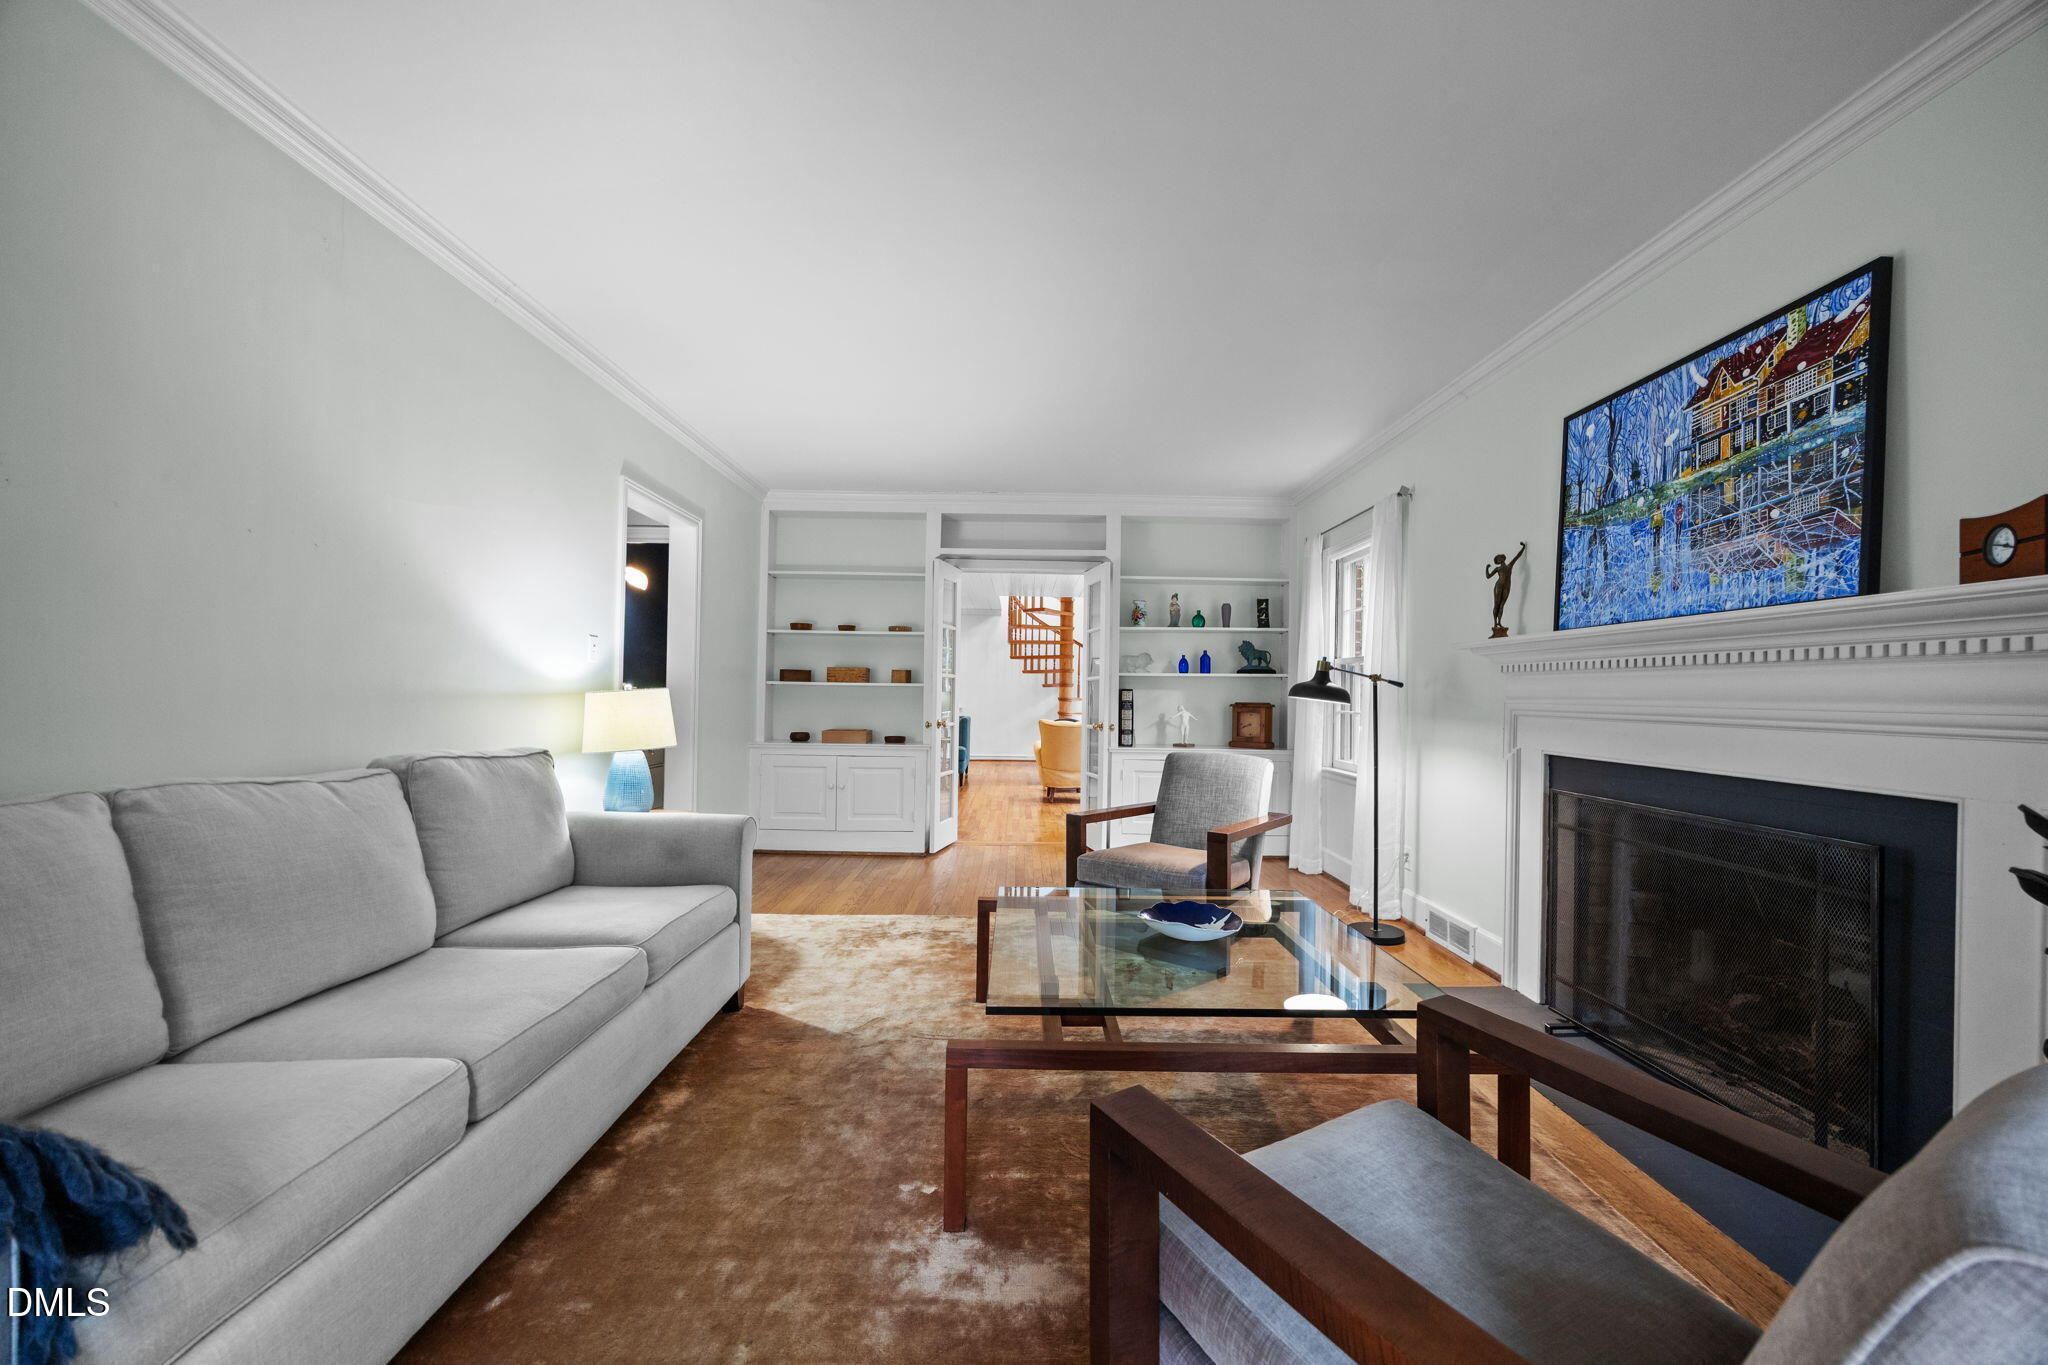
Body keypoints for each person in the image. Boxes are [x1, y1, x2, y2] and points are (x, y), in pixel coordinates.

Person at [1486, 542, 1528, 637]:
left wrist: (1523, 547)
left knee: (1502, 605)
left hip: (1506, 587)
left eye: (1500, 558)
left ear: (1503, 558)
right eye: (1497, 559)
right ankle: (1495, 623)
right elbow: (1488, 576)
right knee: (1496, 604)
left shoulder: (1509, 566)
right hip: (1499, 586)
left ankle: (1499, 622)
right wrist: (1487, 568)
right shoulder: (1497, 569)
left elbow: (1517, 556)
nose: (1499, 559)